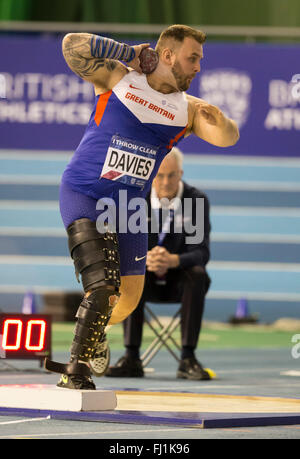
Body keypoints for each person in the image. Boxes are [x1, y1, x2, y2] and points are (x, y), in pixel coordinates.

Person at [45, 24, 239, 389]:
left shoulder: (190, 110)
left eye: (200, 59)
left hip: (129, 210)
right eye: (192, 57)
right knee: (102, 286)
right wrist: (125, 52)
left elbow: (228, 138)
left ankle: (96, 329)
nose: (198, 67)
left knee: (128, 301)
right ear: (167, 55)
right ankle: (77, 370)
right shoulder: (118, 77)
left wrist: (221, 121)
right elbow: (72, 46)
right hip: (84, 192)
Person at [105, 147, 212, 380]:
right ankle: (131, 357)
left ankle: (187, 358)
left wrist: (174, 260)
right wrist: (147, 260)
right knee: (130, 273)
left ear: (180, 174)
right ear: (151, 175)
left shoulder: (195, 200)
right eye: (160, 176)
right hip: (145, 279)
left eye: (171, 175)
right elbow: (122, 248)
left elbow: (201, 252)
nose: (165, 182)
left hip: (180, 280)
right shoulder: (137, 201)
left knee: (198, 273)